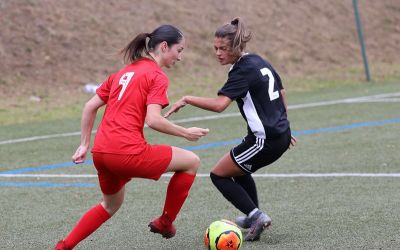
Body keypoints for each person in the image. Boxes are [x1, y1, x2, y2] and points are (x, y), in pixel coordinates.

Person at [54, 24, 209, 250]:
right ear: (164, 47)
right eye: (180, 50)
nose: (180, 57)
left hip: (101, 153)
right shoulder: (157, 75)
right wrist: (186, 133)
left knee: (109, 205)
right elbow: (153, 120)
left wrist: (84, 145)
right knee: (191, 162)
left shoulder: (122, 73)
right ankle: (165, 222)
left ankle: (62, 247)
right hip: (127, 152)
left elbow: (89, 106)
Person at [164, 17, 296, 242]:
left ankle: (256, 215)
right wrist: (283, 125)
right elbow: (281, 92)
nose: (218, 53)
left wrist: (186, 98)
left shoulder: (242, 71)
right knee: (239, 169)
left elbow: (219, 106)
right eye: (215, 48)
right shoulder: (258, 61)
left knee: (218, 175)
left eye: (223, 48)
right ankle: (252, 214)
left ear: (236, 47)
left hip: (265, 140)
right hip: (279, 135)